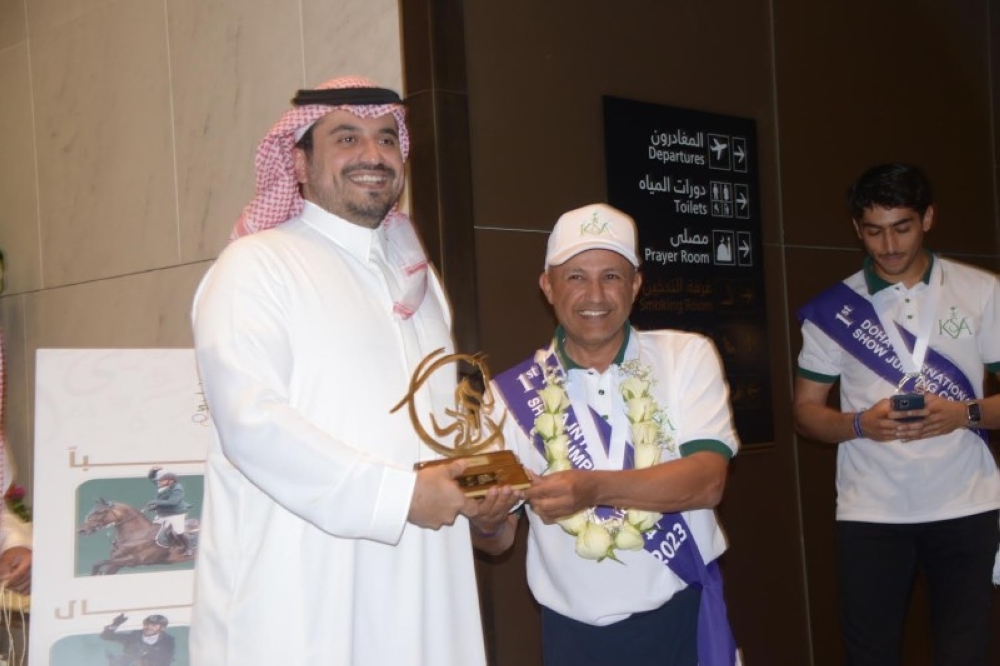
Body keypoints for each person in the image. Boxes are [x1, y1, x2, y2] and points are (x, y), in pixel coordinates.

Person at [191, 76, 489, 664]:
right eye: (347, 138)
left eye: (386, 138)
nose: (372, 154)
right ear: (299, 163)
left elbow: (455, 409)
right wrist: (399, 496)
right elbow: (253, 424)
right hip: (303, 595)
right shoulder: (255, 267)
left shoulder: (419, 281)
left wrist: (488, 490)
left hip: (425, 585)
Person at [479, 203, 741, 666]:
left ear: (636, 285)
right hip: (572, 639)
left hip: (682, 619)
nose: (595, 295)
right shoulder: (508, 396)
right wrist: (486, 520)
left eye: (612, 276)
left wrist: (593, 488)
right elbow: (497, 541)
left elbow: (707, 481)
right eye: (576, 277)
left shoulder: (685, 356)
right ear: (548, 286)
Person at [793, 163, 1000, 665]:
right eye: (874, 231)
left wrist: (964, 414)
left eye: (902, 227)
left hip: (967, 505)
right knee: (870, 655)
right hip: (872, 511)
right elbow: (805, 412)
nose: (888, 246)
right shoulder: (834, 310)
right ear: (856, 228)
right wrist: (859, 424)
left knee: (964, 652)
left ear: (927, 218)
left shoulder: (982, 292)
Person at [144, 467, 193, 555]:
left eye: (161, 480)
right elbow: (152, 479)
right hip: (163, 513)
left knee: (178, 531)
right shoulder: (162, 485)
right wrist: (153, 471)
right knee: (154, 528)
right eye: (158, 480)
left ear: (170, 481)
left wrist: (155, 502)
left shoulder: (177, 489)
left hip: (176, 514)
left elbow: (172, 502)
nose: (158, 482)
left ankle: (188, 548)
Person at [100, 613, 175, 666]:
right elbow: (106, 636)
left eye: (153, 625)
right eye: (146, 624)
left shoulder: (167, 641)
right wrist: (115, 624)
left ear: (162, 628)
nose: (149, 627)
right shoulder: (134, 636)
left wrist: (146, 652)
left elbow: (165, 660)